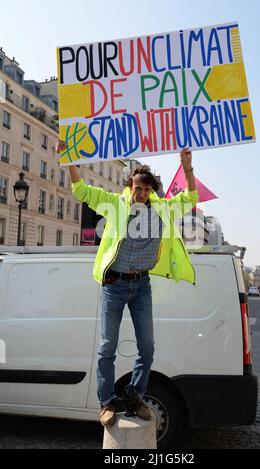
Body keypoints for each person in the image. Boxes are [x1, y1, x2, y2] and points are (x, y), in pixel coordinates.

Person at [56, 140, 198, 426]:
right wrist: (68, 158)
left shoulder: (162, 210)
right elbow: (81, 190)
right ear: (130, 186)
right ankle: (107, 402)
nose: (141, 193)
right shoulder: (114, 204)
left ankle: (135, 396)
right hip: (114, 285)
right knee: (107, 346)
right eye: (137, 188)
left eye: (146, 189)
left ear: (152, 191)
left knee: (147, 347)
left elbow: (190, 198)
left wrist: (186, 168)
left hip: (141, 286)